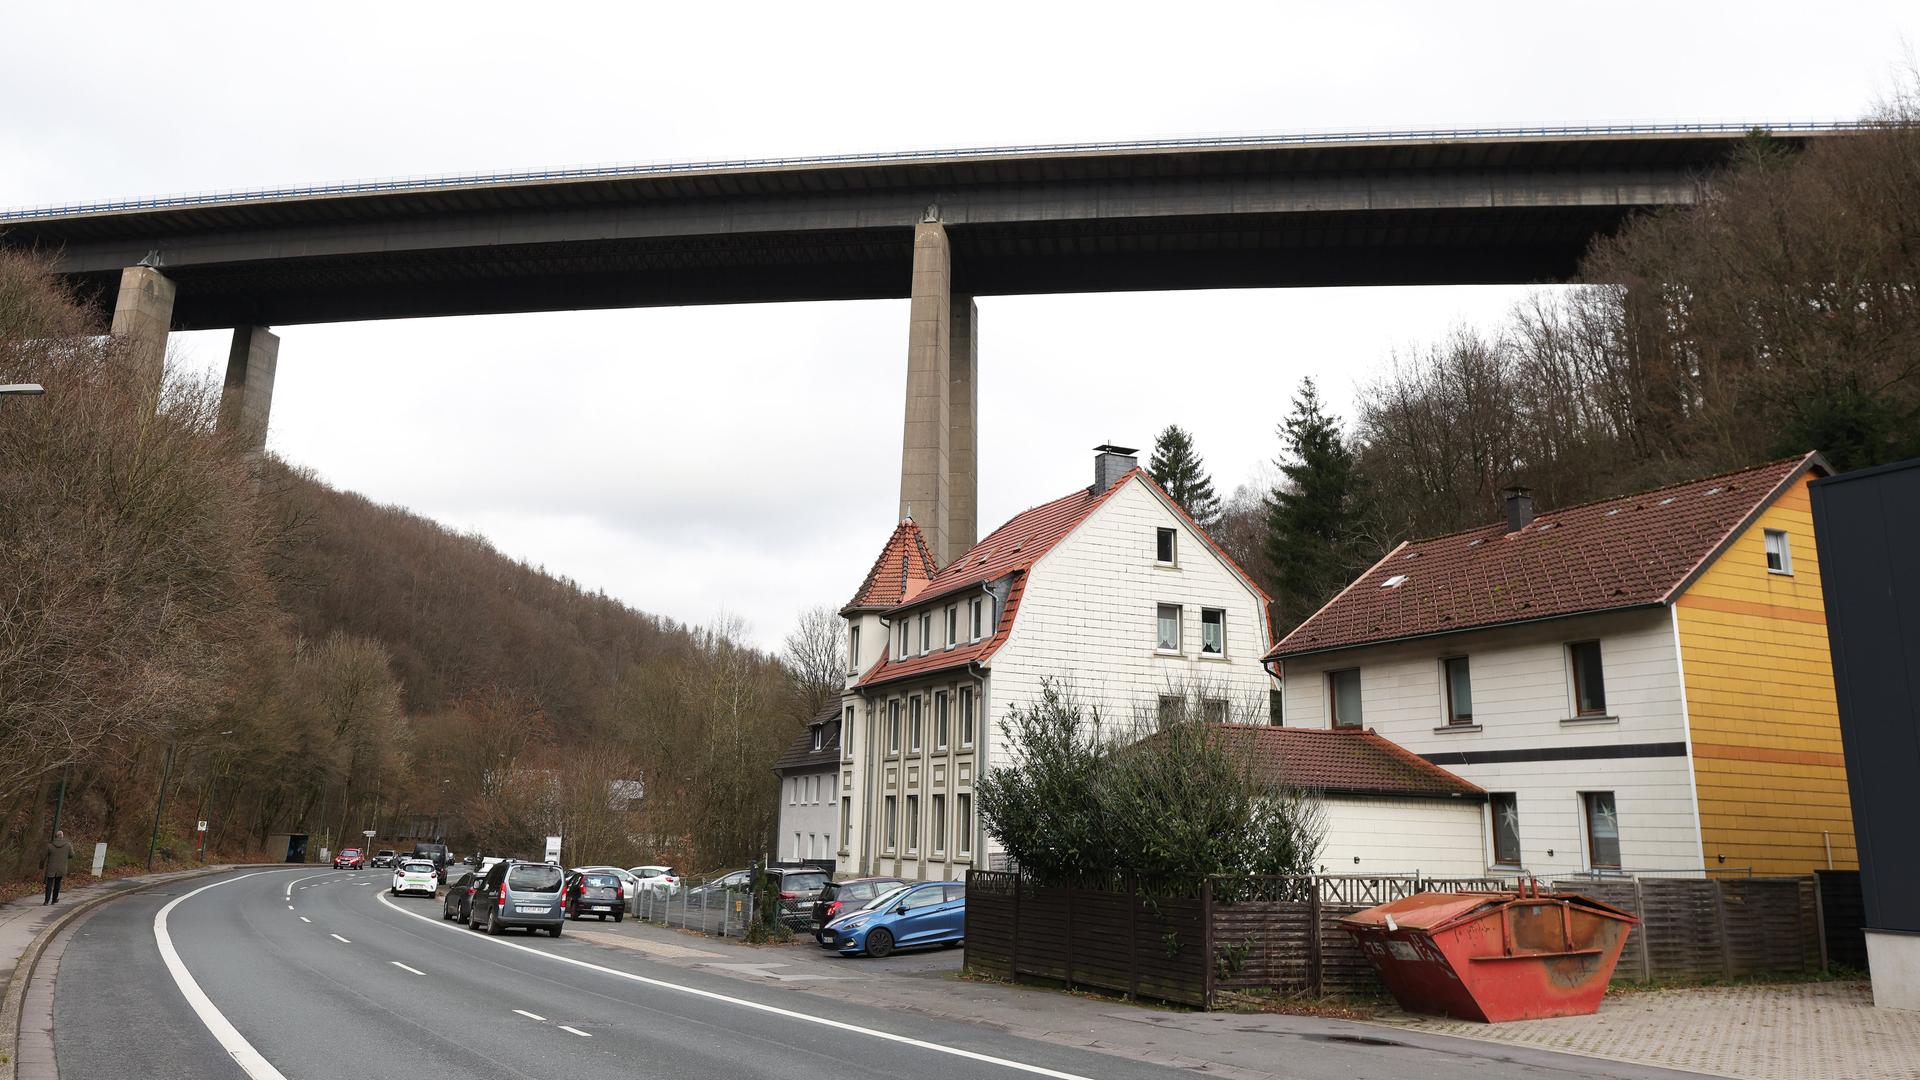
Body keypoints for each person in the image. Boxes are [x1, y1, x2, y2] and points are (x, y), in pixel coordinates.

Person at [42, 830, 72, 905]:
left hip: (51, 867)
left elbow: (43, 856)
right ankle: (54, 899)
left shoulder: (50, 845)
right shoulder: (68, 845)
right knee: (57, 883)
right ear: (62, 836)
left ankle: (46, 901)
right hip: (61, 868)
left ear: (56, 836)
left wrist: (41, 865)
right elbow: (71, 855)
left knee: (49, 884)